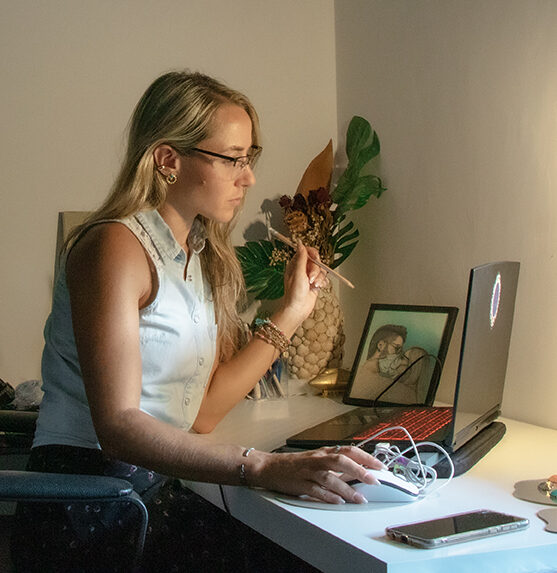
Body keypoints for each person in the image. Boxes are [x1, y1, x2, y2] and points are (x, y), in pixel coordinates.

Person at [14, 71, 384, 572]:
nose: (248, 178)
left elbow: (203, 413)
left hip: (151, 486)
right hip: (90, 497)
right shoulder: (113, 246)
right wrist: (262, 465)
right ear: (168, 160)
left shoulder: (198, 256)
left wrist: (293, 312)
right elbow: (118, 428)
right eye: (233, 159)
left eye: (249, 158)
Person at [350, 324, 430, 405]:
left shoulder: (393, 387)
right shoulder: (368, 379)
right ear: (380, 345)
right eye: (396, 348)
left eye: (400, 352)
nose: (397, 357)